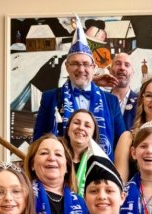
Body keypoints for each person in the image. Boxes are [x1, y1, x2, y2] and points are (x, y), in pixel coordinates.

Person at [33, 14, 126, 161]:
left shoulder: (111, 101)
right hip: (61, 173)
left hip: (100, 175)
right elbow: (38, 141)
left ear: (94, 67)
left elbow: (122, 144)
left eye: (86, 64)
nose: (81, 69)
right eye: (75, 63)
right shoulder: (50, 98)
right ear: (67, 67)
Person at [25, 133, 90, 214]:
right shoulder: (21, 196)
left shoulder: (82, 204)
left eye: (58, 154)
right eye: (44, 153)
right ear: (32, 164)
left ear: (67, 167)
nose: (51, 158)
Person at [61, 109, 109, 195]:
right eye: (76, 123)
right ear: (68, 130)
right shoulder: (56, 156)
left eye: (87, 126)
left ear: (93, 134)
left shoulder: (99, 162)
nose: (81, 128)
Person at [110, 53, 140, 129]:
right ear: (110, 70)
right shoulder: (102, 100)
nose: (122, 68)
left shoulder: (141, 102)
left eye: (127, 65)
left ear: (132, 73)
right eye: (118, 64)